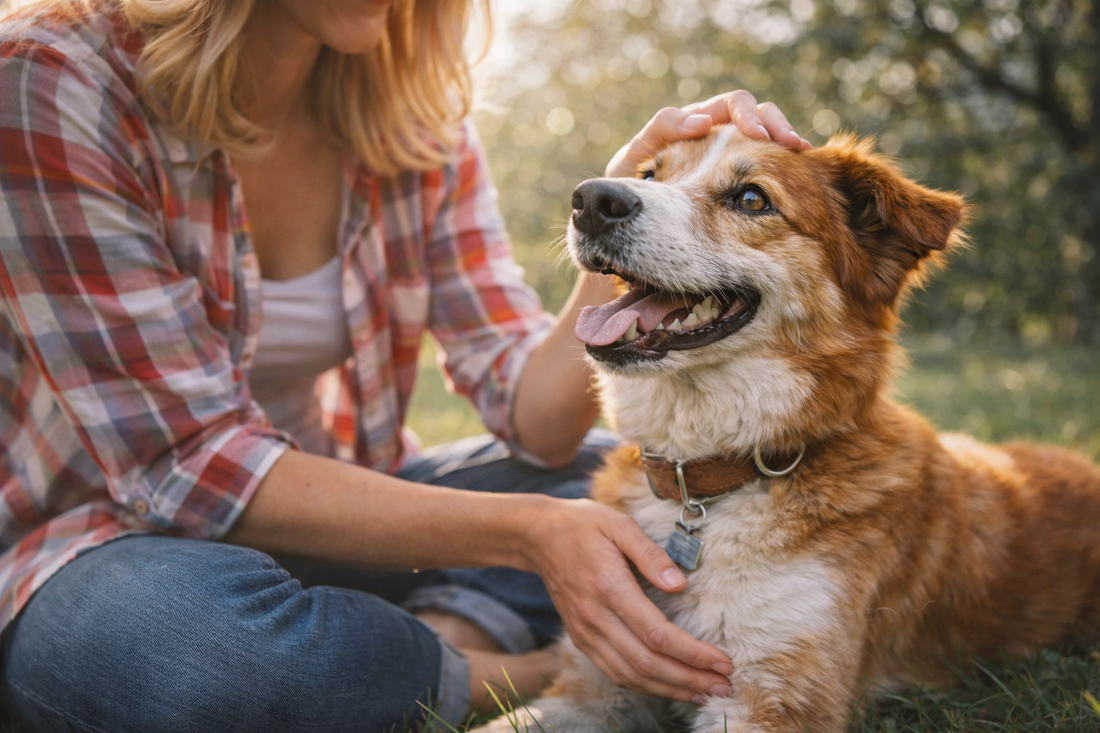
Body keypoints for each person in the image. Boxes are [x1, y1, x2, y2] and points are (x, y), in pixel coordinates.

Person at [0, 0, 812, 730]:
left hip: (340, 511)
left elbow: (534, 417)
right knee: (202, 657)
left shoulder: (411, 116)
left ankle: (394, 645)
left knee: (627, 480)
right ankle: (514, 668)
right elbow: (185, 463)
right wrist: (533, 537)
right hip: (94, 547)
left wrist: (630, 203)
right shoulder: (54, 81)